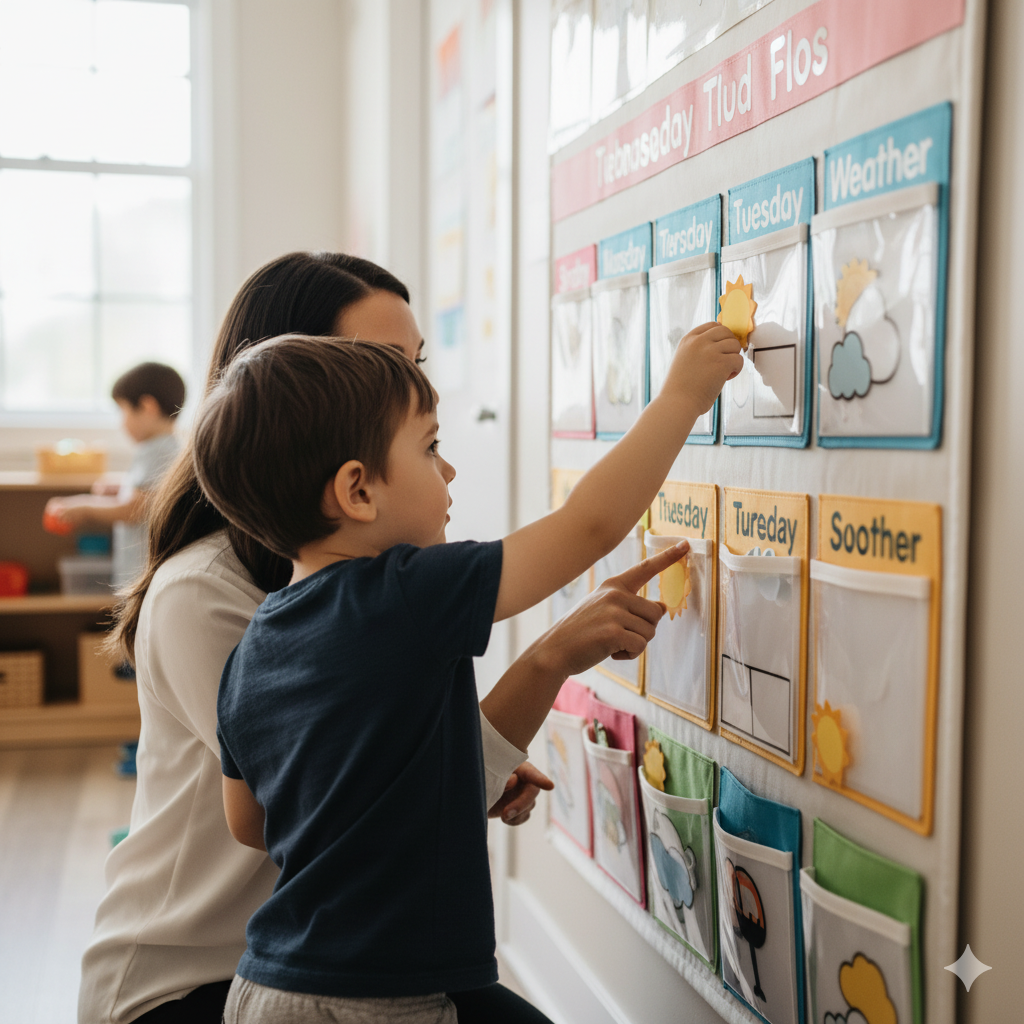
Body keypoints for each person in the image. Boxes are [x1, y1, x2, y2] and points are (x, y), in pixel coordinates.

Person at [192, 323, 740, 1022]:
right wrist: (683, 397)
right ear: (357, 491)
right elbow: (590, 525)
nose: (448, 471)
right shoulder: (403, 593)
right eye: (430, 447)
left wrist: (428, 789)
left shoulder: (253, 648)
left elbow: (250, 822)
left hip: (269, 985)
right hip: (377, 999)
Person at [78, 254, 558, 1024]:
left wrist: (517, 710)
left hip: (326, 954)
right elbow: (335, 808)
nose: (415, 392)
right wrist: (527, 694)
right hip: (201, 976)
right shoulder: (207, 594)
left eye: (414, 365)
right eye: (378, 364)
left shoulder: (350, 580)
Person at [45, 362, 186, 588]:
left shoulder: (155, 450)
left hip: (142, 572)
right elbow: (150, 493)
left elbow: (134, 509)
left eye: (124, 410)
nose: (122, 422)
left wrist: (84, 507)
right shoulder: (169, 446)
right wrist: (121, 485)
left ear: (148, 407)